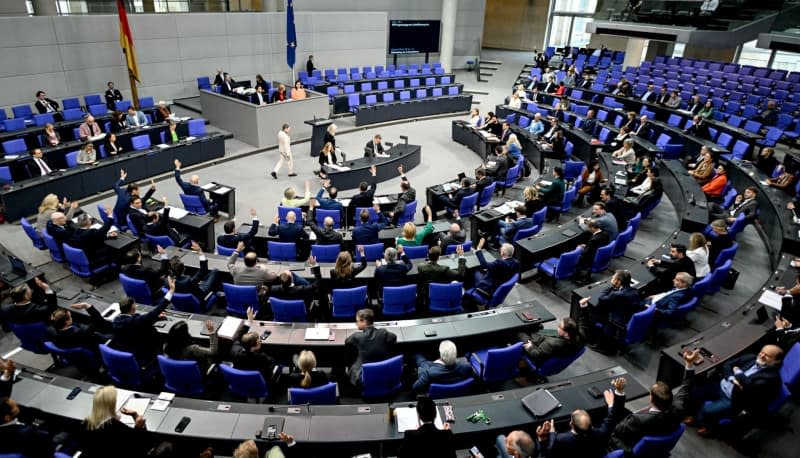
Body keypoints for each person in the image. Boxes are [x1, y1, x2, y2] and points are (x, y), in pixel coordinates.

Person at [688, 345, 784, 437]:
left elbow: (749, 386)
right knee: (695, 391)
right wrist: (731, 377)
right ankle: (695, 415)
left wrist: (737, 371)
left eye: (767, 355)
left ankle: (708, 427)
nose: (762, 356)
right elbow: (728, 364)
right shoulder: (751, 357)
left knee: (707, 410)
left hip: (733, 399)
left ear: (776, 361)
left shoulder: (772, 377)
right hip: (722, 385)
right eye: (762, 352)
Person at [535, 378, 626, 457]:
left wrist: (551, 433)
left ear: (571, 423)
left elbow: (551, 452)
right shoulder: (601, 433)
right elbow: (611, 419)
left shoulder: (561, 439)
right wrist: (612, 402)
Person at [111, 278, 175, 364]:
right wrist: (171, 290)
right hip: (142, 354)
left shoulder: (116, 320)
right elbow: (156, 310)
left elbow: (141, 321)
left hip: (126, 350)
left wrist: (155, 317)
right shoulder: (136, 321)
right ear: (133, 308)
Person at [578, 269, 641, 348]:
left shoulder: (617, 294)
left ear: (618, 281)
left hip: (616, 321)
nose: (611, 279)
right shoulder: (635, 291)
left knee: (593, 313)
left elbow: (601, 298)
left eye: (613, 278)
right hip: (627, 317)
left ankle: (596, 341)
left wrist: (611, 285)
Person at [345, 308, 397, 387]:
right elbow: (394, 337)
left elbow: (347, 341)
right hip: (384, 373)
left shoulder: (357, 336)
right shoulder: (383, 332)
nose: (356, 324)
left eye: (357, 321)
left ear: (364, 321)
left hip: (363, 378)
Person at [0, 387, 55, 456]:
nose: (16, 404)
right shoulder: (25, 433)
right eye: (15, 407)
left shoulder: (8, 419)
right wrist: (36, 424)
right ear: (7, 418)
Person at [230, 307, 277, 382]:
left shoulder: (234, 349)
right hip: (260, 381)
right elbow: (272, 361)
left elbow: (239, 336)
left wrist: (249, 321)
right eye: (259, 342)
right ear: (252, 347)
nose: (260, 342)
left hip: (242, 380)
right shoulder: (261, 358)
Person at [468, 239, 519, 307]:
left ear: (502, 253)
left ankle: (470, 294)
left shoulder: (499, 263)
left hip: (488, 288)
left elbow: (484, 265)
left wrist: (479, 249)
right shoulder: (516, 263)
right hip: (498, 284)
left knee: (473, 271)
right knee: (483, 271)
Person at [518, 317, 582, 366]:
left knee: (519, 332)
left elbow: (537, 355)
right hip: (546, 342)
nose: (557, 327)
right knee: (536, 326)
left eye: (559, 327)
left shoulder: (552, 343)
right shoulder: (577, 339)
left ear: (566, 333)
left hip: (537, 351)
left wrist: (530, 347)